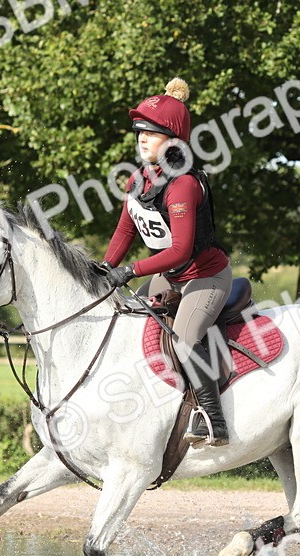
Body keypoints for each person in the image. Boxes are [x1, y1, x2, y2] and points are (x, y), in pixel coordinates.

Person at [100, 77, 231, 447]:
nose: (142, 138)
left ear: (173, 140)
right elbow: (125, 231)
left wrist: (129, 270)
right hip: (168, 276)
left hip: (204, 277)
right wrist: (107, 267)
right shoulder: (139, 179)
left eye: (152, 132)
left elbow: (180, 253)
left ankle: (212, 418)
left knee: (186, 338)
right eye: (139, 131)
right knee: (129, 323)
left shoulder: (183, 185)